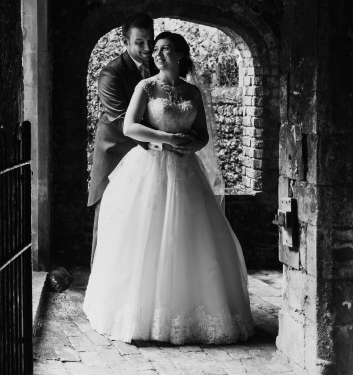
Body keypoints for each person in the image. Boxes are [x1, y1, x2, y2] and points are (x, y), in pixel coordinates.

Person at [83, 31, 255, 344]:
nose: (158, 54)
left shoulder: (192, 91)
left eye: (166, 49)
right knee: (145, 237)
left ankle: (188, 312)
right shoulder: (145, 87)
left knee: (191, 237)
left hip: (186, 169)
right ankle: (142, 316)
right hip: (150, 166)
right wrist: (166, 140)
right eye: (156, 50)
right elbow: (129, 126)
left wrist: (190, 145)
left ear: (179, 55)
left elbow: (202, 134)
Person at [87, 13, 158, 266]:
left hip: (149, 155)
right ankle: (99, 283)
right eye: (140, 42)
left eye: (150, 40)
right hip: (116, 153)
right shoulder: (111, 74)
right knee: (109, 216)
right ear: (125, 41)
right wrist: (162, 140)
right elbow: (120, 119)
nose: (148, 48)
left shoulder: (159, 68)